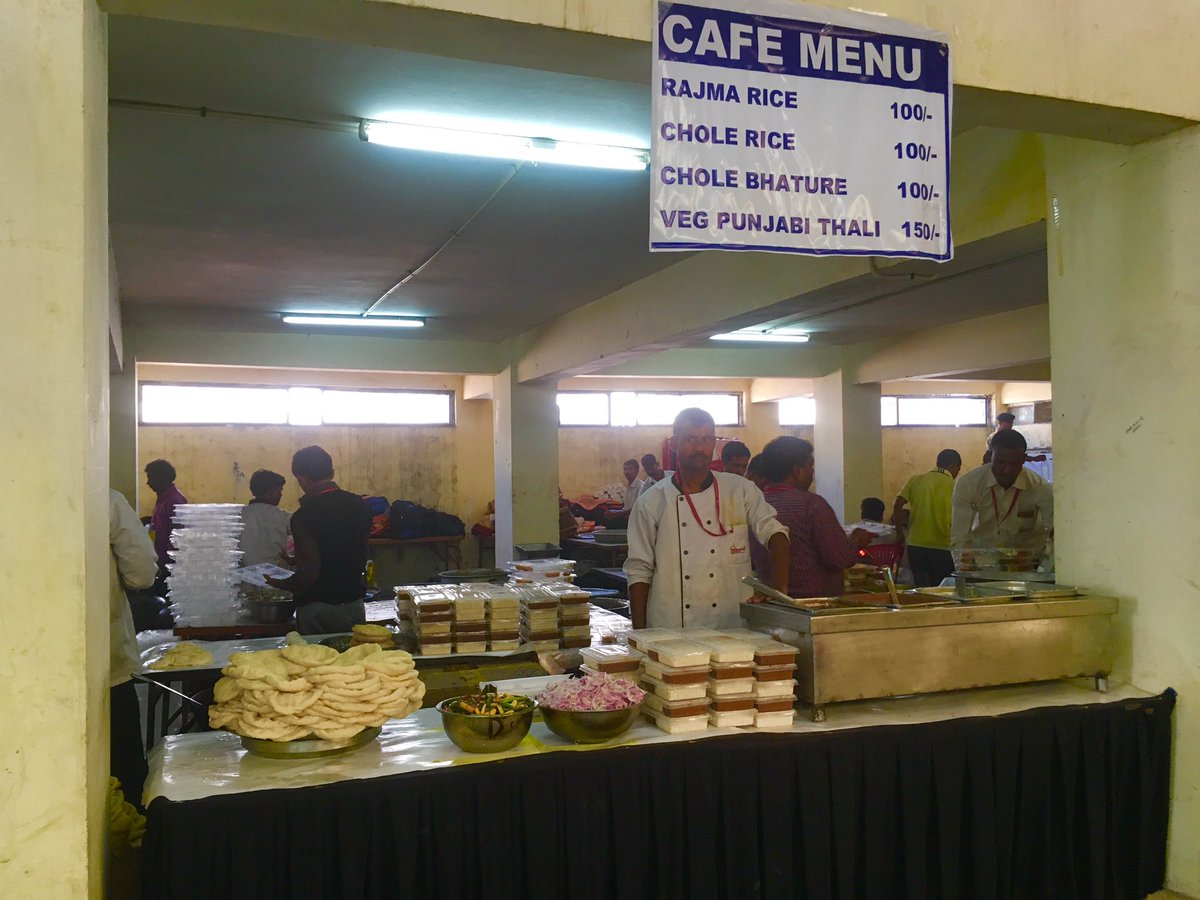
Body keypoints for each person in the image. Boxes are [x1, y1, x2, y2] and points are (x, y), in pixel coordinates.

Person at [625, 408, 790, 629]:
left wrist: (779, 588)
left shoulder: (740, 490)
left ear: (714, 443)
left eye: (706, 439)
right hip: (671, 627)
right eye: (690, 439)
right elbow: (638, 571)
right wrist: (639, 636)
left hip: (732, 625)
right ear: (674, 444)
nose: (699, 448)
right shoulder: (651, 501)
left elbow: (775, 532)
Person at [266, 446, 371, 634]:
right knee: (355, 652)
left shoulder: (304, 515)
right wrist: (298, 559)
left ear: (301, 478)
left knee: (315, 653)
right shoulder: (359, 505)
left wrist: (283, 584)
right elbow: (356, 551)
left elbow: (310, 573)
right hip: (353, 603)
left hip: (317, 609)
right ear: (332, 472)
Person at [759, 436, 873, 598]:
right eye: (810, 465)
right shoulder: (811, 505)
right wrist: (856, 541)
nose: (812, 472)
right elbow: (839, 559)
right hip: (814, 603)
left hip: (769, 601)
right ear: (797, 470)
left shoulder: (755, 504)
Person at [108, 489, 158, 808]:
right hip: (108, 660)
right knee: (123, 765)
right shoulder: (106, 502)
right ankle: (131, 827)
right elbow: (142, 575)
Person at [952, 430, 1053, 551]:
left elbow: (1054, 531)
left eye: (1014, 463)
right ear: (989, 456)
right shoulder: (968, 485)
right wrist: (965, 559)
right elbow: (960, 537)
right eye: (1000, 462)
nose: (1007, 470)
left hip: (1027, 559)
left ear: (1023, 459)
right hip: (982, 559)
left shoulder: (1040, 487)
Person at [893, 449, 962, 586]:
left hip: (916, 546)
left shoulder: (916, 480)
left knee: (922, 588)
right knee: (942, 589)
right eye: (958, 469)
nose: (957, 473)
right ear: (954, 465)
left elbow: (897, 504)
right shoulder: (955, 486)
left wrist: (899, 532)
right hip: (943, 547)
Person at [239, 469, 291, 567]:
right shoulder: (283, 517)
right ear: (270, 492)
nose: (281, 495)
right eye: (279, 491)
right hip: (274, 573)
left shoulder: (239, 515)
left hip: (244, 573)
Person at [145, 458, 187, 571]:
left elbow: (177, 536)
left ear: (162, 477)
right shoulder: (162, 498)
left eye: (151, 478)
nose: (148, 483)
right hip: (160, 559)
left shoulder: (174, 501)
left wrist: (166, 564)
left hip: (168, 564)